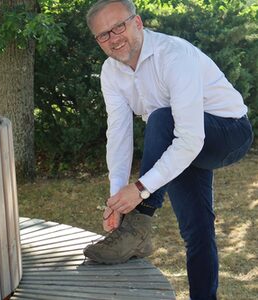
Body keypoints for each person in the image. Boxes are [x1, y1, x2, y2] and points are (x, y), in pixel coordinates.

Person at [82, 0, 254, 299]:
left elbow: (189, 137)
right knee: (196, 230)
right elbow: (119, 133)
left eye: (118, 27)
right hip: (180, 143)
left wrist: (140, 190)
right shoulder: (111, 72)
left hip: (228, 134)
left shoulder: (174, 55)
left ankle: (139, 225)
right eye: (103, 35)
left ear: (138, 23)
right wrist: (116, 199)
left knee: (162, 117)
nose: (113, 38)